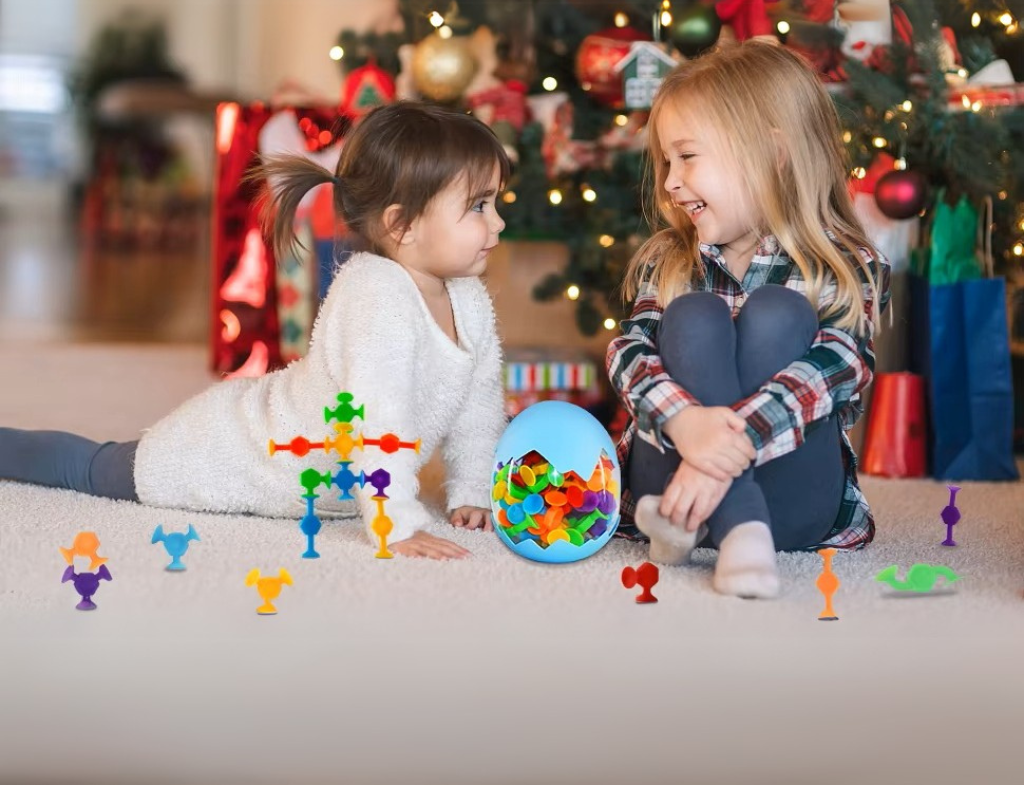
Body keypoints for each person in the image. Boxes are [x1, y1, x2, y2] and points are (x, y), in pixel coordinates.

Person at [0, 103, 510, 561]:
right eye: (479, 207)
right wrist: (393, 522)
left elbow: (477, 405)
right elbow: (376, 418)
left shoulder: (469, 300)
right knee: (96, 469)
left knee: (102, 462)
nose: (499, 223)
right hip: (242, 453)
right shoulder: (376, 296)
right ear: (402, 225)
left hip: (314, 477)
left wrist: (470, 490)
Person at [607, 41, 892, 599]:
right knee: (692, 315)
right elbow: (628, 353)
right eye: (667, 162)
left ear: (772, 152)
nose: (669, 181)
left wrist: (714, 460)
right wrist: (688, 424)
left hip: (790, 502)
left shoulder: (843, 264)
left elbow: (842, 367)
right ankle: (742, 528)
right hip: (662, 482)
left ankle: (726, 516)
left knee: (780, 313)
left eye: (687, 157)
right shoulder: (668, 262)